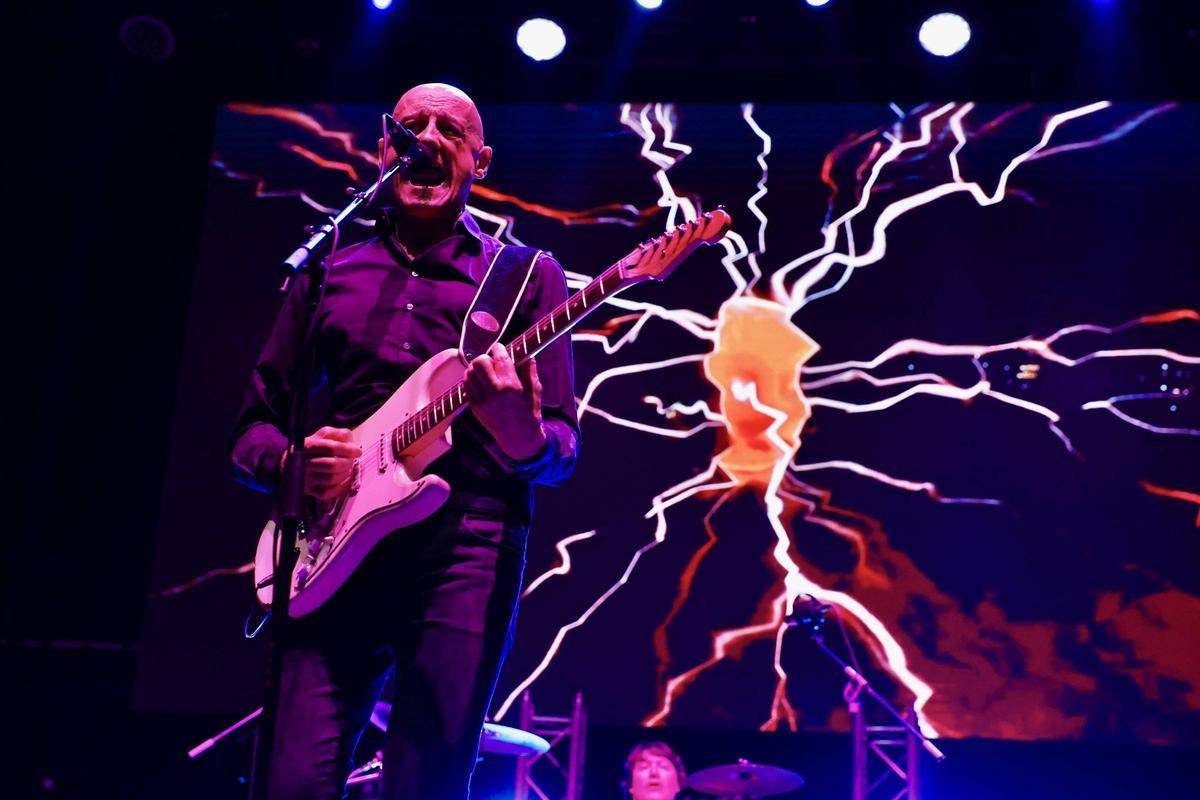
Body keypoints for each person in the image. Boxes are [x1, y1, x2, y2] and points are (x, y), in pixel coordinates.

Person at [230, 83, 580, 800]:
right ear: (386, 150)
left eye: (449, 130)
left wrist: (519, 433)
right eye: (410, 127)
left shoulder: (524, 277)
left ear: (480, 161)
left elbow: (560, 448)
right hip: (330, 550)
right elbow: (251, 434)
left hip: (466, 548)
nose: (427, 139)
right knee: (288, 783)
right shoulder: (329, 268)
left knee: (428, 781)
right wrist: (295, 463)